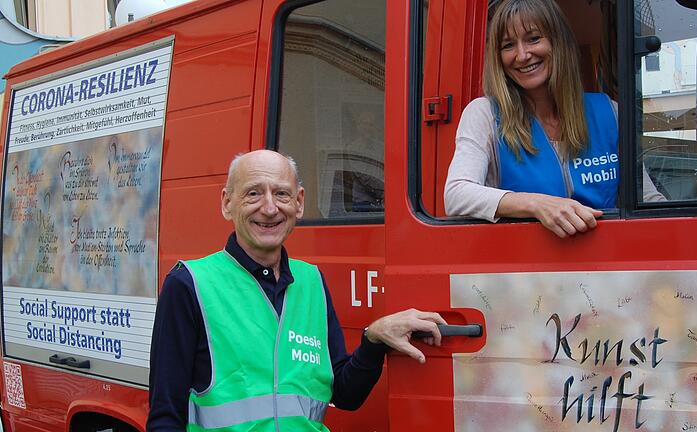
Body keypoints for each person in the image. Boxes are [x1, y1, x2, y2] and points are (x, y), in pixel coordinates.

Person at [147, 150, 445, 431]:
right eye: (253, 193)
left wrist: (374, 338)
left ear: (299, 203)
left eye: (281, 193)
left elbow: (344, 394)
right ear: (227, 203)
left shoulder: (311, 280)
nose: (269, 207)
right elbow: (165, 416)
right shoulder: (190, 284)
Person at [444, 0, 664, 238]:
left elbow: (647, 198)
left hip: (606, 266)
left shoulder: (609, 112)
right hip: (526, 270)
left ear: (558, 41)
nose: (522, 55)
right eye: (508, 45)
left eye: (533, 39)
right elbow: (457, 195)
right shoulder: (484, 114)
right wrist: (537, 205)